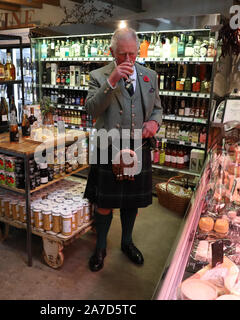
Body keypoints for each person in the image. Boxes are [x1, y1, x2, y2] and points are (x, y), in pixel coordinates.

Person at [84, 27, 162, 272]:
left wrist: (154, 122)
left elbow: (158, 108)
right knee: (104, 202)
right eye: (122, 55)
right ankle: (100, 247)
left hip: (138, 147)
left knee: (132, 203)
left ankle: (127, 243)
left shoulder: (150, 75)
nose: (128, 60)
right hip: (108, 147)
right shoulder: (98, 76)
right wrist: (112, 80)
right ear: (111, 52)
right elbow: (91, 110)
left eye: (132, 54)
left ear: (138, 51)